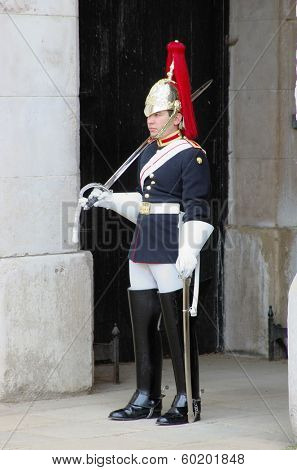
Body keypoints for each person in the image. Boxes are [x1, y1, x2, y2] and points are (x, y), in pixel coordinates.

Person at [81, 41, 213, 425]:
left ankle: (187, 400)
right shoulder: (146, 153)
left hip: (172, 242)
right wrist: (108, 201)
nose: (150, 120)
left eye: (157, 114)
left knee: (177, 327)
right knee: (142, 324)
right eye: (148, 114)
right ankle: (146, 395)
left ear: (175, 114)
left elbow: (198, 206)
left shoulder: (192, 154)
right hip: (144, 243)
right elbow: (143, 201)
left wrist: (190, 247)